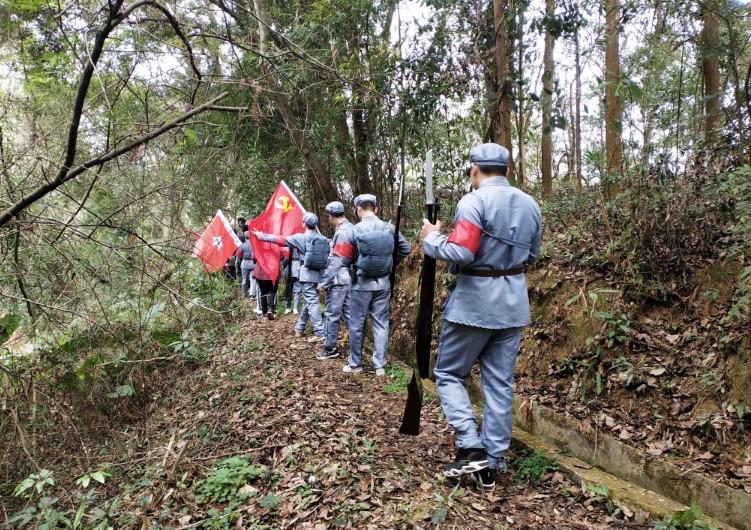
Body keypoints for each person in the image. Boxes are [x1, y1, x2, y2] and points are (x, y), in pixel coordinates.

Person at [419, 143, 543, 492]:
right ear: (507, 170)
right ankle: (494, 459)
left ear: (475, 169)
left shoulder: (473, 202)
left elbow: (461, 251)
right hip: (513, 304)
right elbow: (532, 255)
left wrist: (432, 239)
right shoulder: (530, 204)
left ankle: (471, 445)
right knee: (500, 383)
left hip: (474, 305)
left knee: (447, 373)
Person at [345, 194, 410, 377]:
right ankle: (379, 366)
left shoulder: (353, 230)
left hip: (360, 285)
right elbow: (405, 248)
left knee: (357, 323)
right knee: (381, 324)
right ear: (376, 208)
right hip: (383, 284)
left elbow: (345, 258)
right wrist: (390, 262)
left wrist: (353, 267)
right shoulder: (389, 227)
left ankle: (355, 364)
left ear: (358, 209)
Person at [253, 212, 328, 339]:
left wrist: (260, 235)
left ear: (304, 224)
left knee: (312, 302)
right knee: (309, 300)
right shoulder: (324, 239)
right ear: (316, 225)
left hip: (307, 273)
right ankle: (300, 327)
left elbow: (279, 239)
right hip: (320, 274)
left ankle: (320, 332)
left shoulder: (300, 237)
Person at [316, 201, 354, 360]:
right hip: (348, 278)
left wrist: (324, 283)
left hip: (339, 279)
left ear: (331, 216)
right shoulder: (350, 228)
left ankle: (330, 348)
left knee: (332, 314)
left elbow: (337, 260)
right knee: (349, 314)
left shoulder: (342, 233)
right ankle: (355, 347)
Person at [235, 232, 255, 298]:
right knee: (253, 279)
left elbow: (238, 255)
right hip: (254, 263)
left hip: (245, 263)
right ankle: (252, 294)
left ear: (244, 237)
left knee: (245, 279)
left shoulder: (242, 245)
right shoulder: (255, 245)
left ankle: (244, 293)